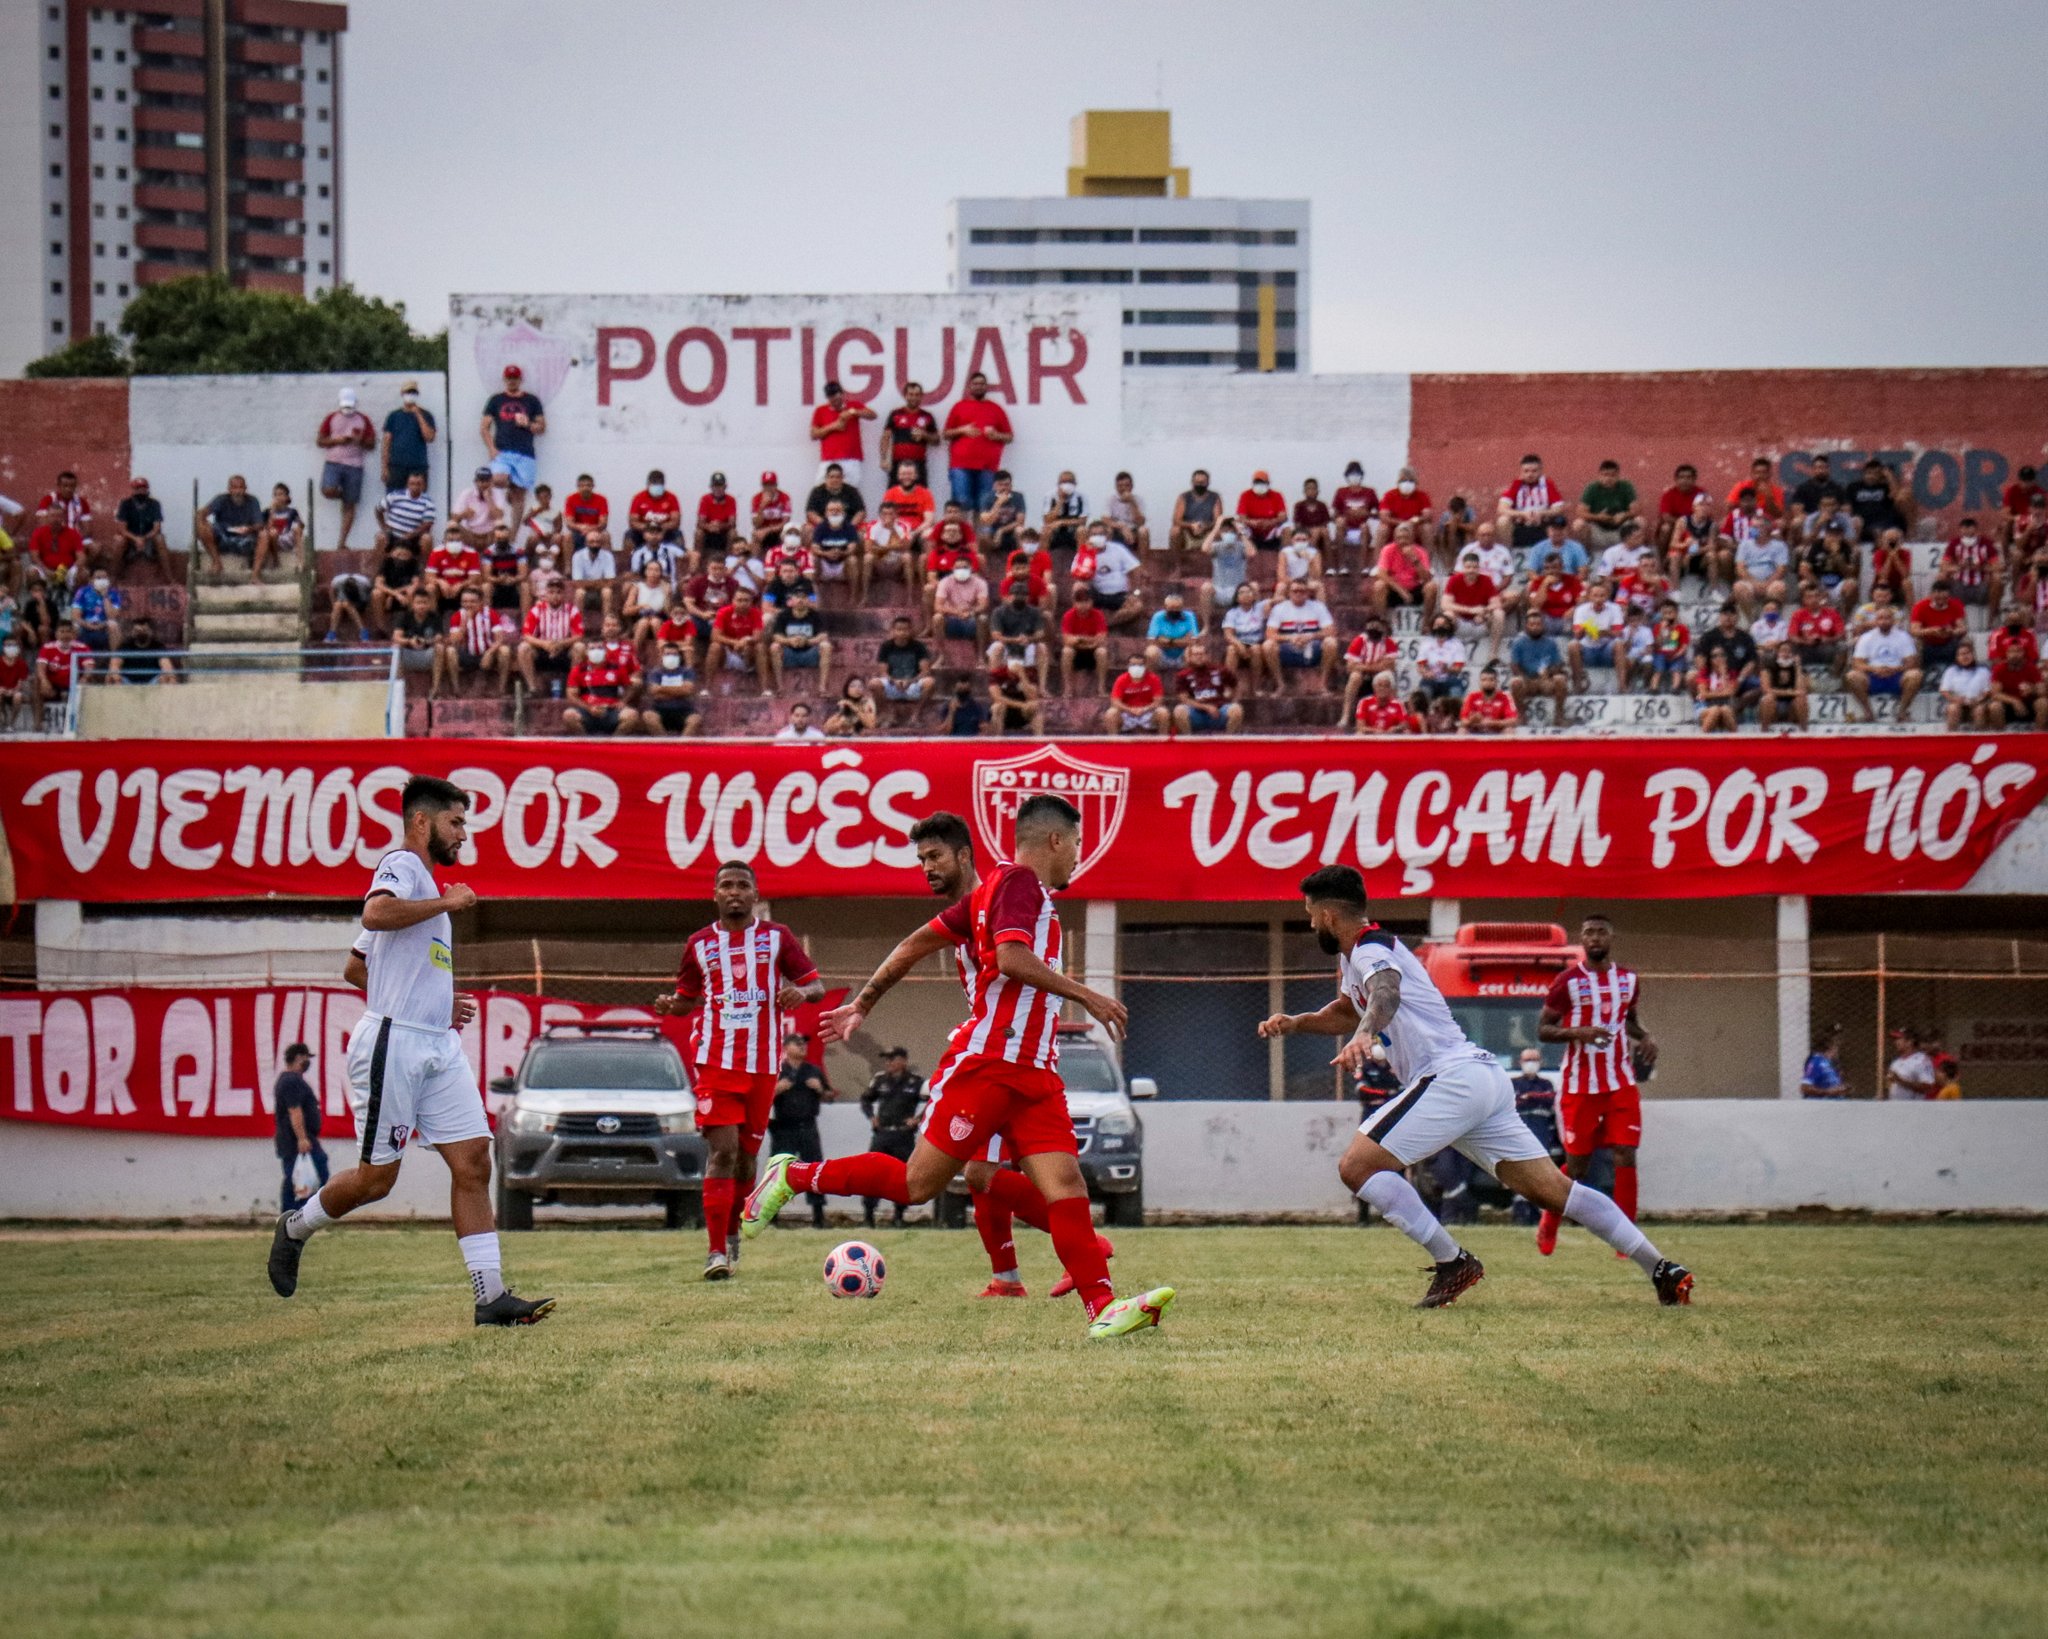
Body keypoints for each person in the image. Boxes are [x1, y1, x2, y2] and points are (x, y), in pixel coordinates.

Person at [751, 796, 1174, 1340]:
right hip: (991, 1063)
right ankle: (793, 1174)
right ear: (1055, 841)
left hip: (1034, 1070)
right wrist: (1086, 995)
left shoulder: (992, 892)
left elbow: (913, 944)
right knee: (917, 1183)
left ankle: (1103, 1308)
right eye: (1076, 844)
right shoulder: (1018, 885)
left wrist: (863, 1003)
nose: (1077, 856)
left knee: (1064, 1183)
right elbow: (1013, 958)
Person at [1257, 867, 1692, 1308]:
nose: (1311, 923)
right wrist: (1298, 1024)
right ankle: (1662, 1268)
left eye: (1311, 914)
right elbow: (1350, 1010)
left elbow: (1384, 993)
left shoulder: (1371, 950)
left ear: (1329, 915)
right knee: (1555, 1192)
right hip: (1481, 1081)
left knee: (1357, 1167)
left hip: (1450, 1079)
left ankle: (1453, 1262)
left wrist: (1367, 1033)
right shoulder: (1360, 955)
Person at [266, 776, 554, 1326]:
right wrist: (446, 901)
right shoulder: (402, 864)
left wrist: (435, 1003)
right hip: (394, 1043)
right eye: (456, 822)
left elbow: (357, 966)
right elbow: (374, 914)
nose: (463, 834)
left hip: (435, 1043)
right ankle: (295, 1226)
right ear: (422, 822)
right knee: (377, 1180)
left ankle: (490, 1297)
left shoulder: (421, 889)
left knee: (472, 1159)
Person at [651, 861, 825, 1279]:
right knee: (723, 1151)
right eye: (726, 885)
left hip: (764, 1066)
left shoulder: (777, 938)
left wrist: (800, 992)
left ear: (755, 894)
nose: (734, 892)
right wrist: (669, 1005)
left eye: (742, 885)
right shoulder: (698, 945)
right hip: (715, 1062)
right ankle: (714, 1253)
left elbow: (817, 985)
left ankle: (731, 1236)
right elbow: (685, 997)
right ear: (715, 894)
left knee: (747, 1161)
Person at [1531, 913, 1657, 1254]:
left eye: (1601, 932)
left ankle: (1627, 1239)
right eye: (1589, 933)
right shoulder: (1568, 981)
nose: (1595, 938)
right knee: (1577, 1166)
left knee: (1625, 1153)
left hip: (1620, 1081)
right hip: (1579, 1084)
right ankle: (1550, 1221)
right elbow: (1543, 1029)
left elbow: (1628, 1020)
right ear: (1582, 940)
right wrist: (1579, 1032)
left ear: (1610, 938)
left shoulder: (1629, 979)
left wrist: (1645, 1036)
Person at [768, 1036, 833, 1230]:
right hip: (783, 1129)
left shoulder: (812, 1070)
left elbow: (829, 1096)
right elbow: (760, 1098)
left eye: (804, 1043)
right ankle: (771, 1217)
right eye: (798, 1043)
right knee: (779, 1173)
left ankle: (819, 1217)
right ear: (786, 1047)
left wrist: (819, 1088)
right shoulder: (777, 1072)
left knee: (814, 1171)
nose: (803, 1047)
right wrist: (776, 1090)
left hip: (808, 1127)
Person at [859, 1047, 926, 1229]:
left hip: (903, 1134)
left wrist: (918, 1119)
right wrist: (872, 1117)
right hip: (883, 1134)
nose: (888, 1063)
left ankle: (899, 1215)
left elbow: (935, 1101)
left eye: (892, 1059)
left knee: (903, 1175)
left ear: (903, 1061)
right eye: (886, 1059)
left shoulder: (915, 1082)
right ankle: (868, 1215)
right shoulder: (880, 1080)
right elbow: (865, 1099)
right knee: (872, 1174)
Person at [481, 365, 545, 535]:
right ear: (504, 379)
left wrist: (528, 424)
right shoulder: (496, 400)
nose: (512, 381)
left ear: (520, 380)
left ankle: (513, 535)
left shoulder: (531, 400)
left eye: (515, 378)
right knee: (498, 479)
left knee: (519, 495)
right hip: (503, 451)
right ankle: (510, 486)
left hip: (525, 453)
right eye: (509, 378)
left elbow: (542, 427)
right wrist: (492, 448)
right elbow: (484, 427)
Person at [942, 371, 1012, 515]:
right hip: (960, 465)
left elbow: (1009, 436)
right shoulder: (959, 407)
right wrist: (962, 430)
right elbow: (945, 434)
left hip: (987, 466)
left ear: (986, 387)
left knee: (984, 504)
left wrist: (995, 435)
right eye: (976, 384)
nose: (979, 387)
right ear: (969, 387)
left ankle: (980, 537)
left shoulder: (996, 409)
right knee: (961, 503)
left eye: (982, 384)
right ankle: (963, 535)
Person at [316, 387, 376, 549]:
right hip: (333, 462)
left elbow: (371, 444)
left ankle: (342, 542)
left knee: (350, 505)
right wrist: (337, 440)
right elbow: (320, 441)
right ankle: (344, 495)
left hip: (355, 465)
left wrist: (359, 441)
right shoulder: (332, 418)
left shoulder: (363, 419)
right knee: (327, 490)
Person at [272, 1043, 328, 1214]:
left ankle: (296, 1215)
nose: (307, 1062)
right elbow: (294, 1111)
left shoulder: (290, 1080)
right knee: (306, 1176)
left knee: (300, 1178)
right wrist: (302, 1138)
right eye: (306, 1058)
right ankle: (292, 1215)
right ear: (298, 1058)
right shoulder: (291, 1081)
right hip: (296, 1141)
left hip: (294, 1140)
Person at [1846, 604, 1923, 722]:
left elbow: (1911, 662)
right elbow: (1857, 663)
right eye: (1880, 618)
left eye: (1887, 618)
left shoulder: (1903, 637)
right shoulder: (1866, 637)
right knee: (1852, 676)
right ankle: (1868, 713)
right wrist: (1874, 669)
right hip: (1873, 676)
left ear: (1893, 620)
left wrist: (1895, 669)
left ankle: (1901, 712)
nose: (1883, 621)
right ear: (1875, 621)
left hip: (1897, 676)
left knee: (1915, 675)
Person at [1261, 580, 1338, 693]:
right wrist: (1290, 638)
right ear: (1289, 593)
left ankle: (1322, 684)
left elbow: (1331, 631)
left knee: (1331, 642)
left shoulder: (1318, 607)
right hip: (1287, 648)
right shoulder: (1280, 608)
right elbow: (1269, 634)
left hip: (1312, 647)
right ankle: (1280, 684)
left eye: (1302, 591)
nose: (1298, 594)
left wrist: (1311, 636)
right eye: (1295, 591)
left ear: (1307, 593)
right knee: (1268, 645)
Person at [809, 379, 876, 486]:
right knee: (821, 489)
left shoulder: (853, 405)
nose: (834, 401)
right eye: (831, 398)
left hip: (851, 459)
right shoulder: (820, 411)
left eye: (836, 397)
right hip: (828, 459)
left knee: (850, 492)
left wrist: (853, 412)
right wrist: (833, 427)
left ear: (842, 394)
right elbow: (813, 434)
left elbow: (873, 415)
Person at [1507, 608, 1568, 719]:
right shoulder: (1518, 643)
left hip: (1545, 680)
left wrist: (1548, 672)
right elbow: (1514, 666)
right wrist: (1526, 678)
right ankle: (1521, 715)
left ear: (1543, 626)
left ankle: (1559, 716)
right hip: (1527, 680)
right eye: (1532, 624)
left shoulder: (1551, 643)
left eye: (1538, 624)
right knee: (1515, 682)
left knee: (1560, 679)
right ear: (1526, 626)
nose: (1535, 627)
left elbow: (1558, 664)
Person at [1173, 639, 1244, 734]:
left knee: (1236, 709)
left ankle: (1228, 741)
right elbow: (1184, 699)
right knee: (1179, 710)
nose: (1199, 657)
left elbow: (1237, 685)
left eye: (1202, 654)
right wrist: (1206, 707)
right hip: (1196, 713)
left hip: (1219, 712)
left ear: (1207, 656)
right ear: (1189, 657)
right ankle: (1188, 741)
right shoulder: (1182, 675)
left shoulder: (1220, 670)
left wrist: (1234, 700)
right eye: (1196, 654)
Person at [1497, 452, 1566, 550]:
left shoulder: (1548, 484)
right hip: (1520, 521)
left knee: (1559, 520)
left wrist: (1541, 513)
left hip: (1543, 521)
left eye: (1534, 471)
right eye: (1526, 471)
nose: (1530, 474)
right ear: (1521, 472)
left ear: (1540, 471)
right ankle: (1508, 554)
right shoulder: (1515, 485)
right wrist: (1522, 514)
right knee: (1502, 521)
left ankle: (1557, 552)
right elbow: (1502, 508)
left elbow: (1559, 508)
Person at [199, 477, 264, 578]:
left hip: (245, 540)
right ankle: (216, 562)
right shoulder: (221, 499)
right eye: (234, 488)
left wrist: (249, 529)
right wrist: (202, 519)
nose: (237, 491)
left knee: (264, 535)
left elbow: (259, 524)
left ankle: (255, 574)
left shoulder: (252, 501)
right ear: (229, 489)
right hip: (223, 538)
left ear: (245, 489)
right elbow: (202, 513)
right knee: (202, 526)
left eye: (240, 488)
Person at [114, 476, 173, 582]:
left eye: (143, 488)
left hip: (149, 539)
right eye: (138, 489)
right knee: (119, 541)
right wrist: (136, 539)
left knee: (160, 539)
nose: (141, 491)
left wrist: (144, 538)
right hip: (131, 540)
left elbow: (157, 527)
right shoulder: (126, 504)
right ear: (133, 490)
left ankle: (169, 577)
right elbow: (121, 528)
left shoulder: (154, 504)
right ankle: (113, 576)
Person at [380, 379, 437, 491]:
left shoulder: (426, 415)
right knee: (394, 501)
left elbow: (429, 437)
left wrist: (418, 414)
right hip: (396, 466)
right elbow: (386, 442)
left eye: (413, 393)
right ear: (402, 394)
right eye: (408, 393)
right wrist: (384, 467)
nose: (410, 395)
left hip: (418, 467)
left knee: (417, 502)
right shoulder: (394, 416)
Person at [882, 382, 940, 486]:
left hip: (919, 464)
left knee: (920, 497)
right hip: (898, 464)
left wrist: (924, 435)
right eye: (911, 394)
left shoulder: (927, 416)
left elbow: (936, 441)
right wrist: (883, 459)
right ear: (905, 395)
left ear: (921, 396)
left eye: (917, 395)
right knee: (894, 498)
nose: (914, 398)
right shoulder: (895, 414)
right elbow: (886, 437)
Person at [1576, 459, 1639, 548]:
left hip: (1621, 528)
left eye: (1613, 475)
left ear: (1618, 476)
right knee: (1578, 524)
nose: (1608, 478)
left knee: (1640, 521)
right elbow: (1580, 512)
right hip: (1598, 528)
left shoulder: (1626, 486)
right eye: (1605, 475)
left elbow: (1636, 510)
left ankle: (1634, 553)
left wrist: (1624, 515)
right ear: (1599, 475)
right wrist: (1598, 517)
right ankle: (1586, 555)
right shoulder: (1592, 488)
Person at [642, 641, 701, 736]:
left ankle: (681, 747)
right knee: (648, 716)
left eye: (674, 655)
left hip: (684, 709)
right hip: (660, 709)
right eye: (668, 654)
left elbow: (688, 690)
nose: (671, 657)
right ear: (661, 655)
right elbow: (654, 692)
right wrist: (679, 692)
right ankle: (665, 745)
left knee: (695, 719)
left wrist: (661, 689)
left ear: (679, 656)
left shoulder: (686, 672)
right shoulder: (655, 673)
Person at [1939, 640, 1994, 730]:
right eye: (1961, 654)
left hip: (1977, 703)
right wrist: (1955, 699)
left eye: (1967, 653)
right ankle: (1952, 738)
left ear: (1973, 655)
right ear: (1957, 657)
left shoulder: (1983, 671)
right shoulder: (1951, 671)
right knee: (1952, 708)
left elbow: (1988, 691)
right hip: (1958, 704)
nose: (1965, 656)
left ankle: (1979, 739)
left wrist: (1978, 699)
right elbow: (1944, 691)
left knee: (1979, 710)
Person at [1105, 657, 1165, 735]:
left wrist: (1144, 709)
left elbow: (1158, 701)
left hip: (1147, 712)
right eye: (1133, 665)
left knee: (1163, 712)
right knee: (1111, 713)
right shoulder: (1121, 679)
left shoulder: (1153, 678)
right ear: (1128, 666)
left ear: (1145, 666)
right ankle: (1113, 742)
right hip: (1127, 713)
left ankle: (1164, 741)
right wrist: (1130, 709)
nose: (1136, 667)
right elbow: (1115, 702)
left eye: (1140, 665)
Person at [1170, 469, 1223, 557]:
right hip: (1188, 531)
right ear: (1192, 482)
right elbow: (1176, 520)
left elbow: (1218, 520)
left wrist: (1205, 526)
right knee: (1175, 531)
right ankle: (1176, 561)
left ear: (1208, 483)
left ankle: (1215, 563)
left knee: (1219, 533)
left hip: (1207, 531)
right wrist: (1191, 525)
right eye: (1197, 482)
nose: (1200, 484)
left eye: (1202, 482)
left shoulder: (1215, 497)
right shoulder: (1184, 497)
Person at [1759, 641, 1809, 728]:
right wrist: (1791, 692)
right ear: (1777, 653)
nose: (1786, 654)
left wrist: (1797, 667)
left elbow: (1801, 690)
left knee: (1800, 700)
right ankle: (1764, 732)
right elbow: (1766, 690)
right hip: (1774, 706)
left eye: (1789, 652)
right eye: (1783, 651)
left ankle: (1805, 732)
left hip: (1792, 707)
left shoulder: (1799, 670)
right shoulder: (1768, 668)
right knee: (1767, 699)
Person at [1458, 665, 1518, 733]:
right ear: (1479, 682)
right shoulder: (1472, 696)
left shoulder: (1505, 697)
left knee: (1509, 730)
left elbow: (1513, 720)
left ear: (1497, 682)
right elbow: (1463, 721)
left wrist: (1492, 723)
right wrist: (1472, 720)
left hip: (1497, 733)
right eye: (1484, 680)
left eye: (1491, 680)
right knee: (1462, 730)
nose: (1487, 683)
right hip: (1476, 731)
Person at [1885, 1026, 1937, 1101]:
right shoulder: (1895, 1062)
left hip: (1913, 1107)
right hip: (1894, 1107)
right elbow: (1890, 1086)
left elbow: (1928, 1087)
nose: (1896, 1042)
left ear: (1910, 1042)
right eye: (1895, 1039)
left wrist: (1900, 1081)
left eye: (1899, 1039)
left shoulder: (1922, 1060)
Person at [1801, 1025, 1850, 1099]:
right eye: (1836, 1038)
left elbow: (1834, 1085)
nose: (1839, 1041)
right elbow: (1805, 1087)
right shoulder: (1817, 1061)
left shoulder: (1833, 1064)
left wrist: (1842, 1089)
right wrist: (1829, 1092)